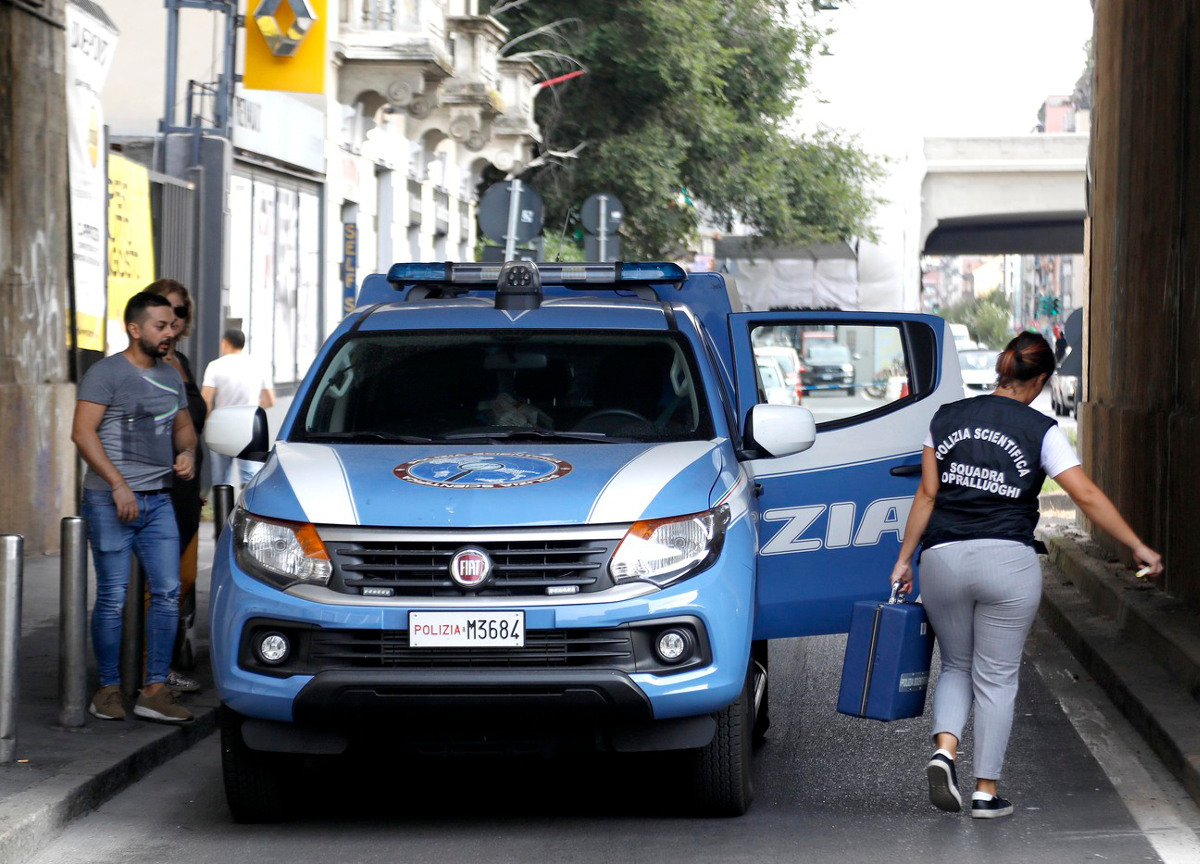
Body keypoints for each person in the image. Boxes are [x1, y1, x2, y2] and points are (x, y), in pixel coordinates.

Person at [889, 331, 1162, 819]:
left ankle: (944, 751)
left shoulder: (946, 419)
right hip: (1006, 563)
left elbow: (926, 496)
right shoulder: (1042, 429)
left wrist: (905, 559)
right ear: (1037, 380)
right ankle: (984, 792)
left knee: (955, 665)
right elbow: (1087, 496)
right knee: (996, 678)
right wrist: (1137, 544)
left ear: (1002, 370)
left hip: (943, 560)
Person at [71, 291, 198, 724]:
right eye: (161, 326)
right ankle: (107, 689)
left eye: (173, 325)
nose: (170, 332)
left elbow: (184, 430)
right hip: (110, 500)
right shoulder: (106, 373)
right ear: (135, 328)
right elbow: (83, 434)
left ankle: (155, 690)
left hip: (158, 500)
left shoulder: (172, 376)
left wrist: (187, 454)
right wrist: (118, 485)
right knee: (113, 596)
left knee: (167, 593)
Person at [145, 279, 205, 691]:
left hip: (187, 490)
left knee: (180, 584)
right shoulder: (144, 366)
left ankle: (159, 666)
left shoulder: (181, 361)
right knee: (157, 588)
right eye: (163, 312)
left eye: (179, 312)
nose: (172, 320)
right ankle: (149, 674)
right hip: (155, 489)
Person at [201, 328, 275, 488]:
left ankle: (223, 511)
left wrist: (206, 423)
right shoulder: (258, 365)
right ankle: (247, 510)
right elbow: (270, 400)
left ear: (225, 343)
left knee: (221, 481)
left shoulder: (215, 366)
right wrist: (253, 407)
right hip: (248, 428)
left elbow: (206, 398)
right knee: (250, 480)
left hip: (221, 426)